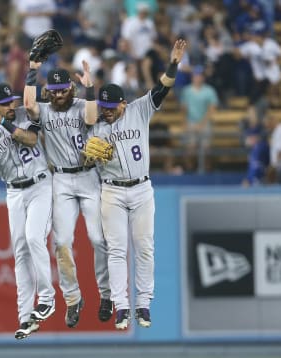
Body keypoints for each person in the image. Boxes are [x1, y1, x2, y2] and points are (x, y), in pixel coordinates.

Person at [87, 39, 187, 330]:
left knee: (144, 247)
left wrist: (174, 62)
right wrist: (87, 157)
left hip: (142, 189)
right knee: (116, 249)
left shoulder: (140, 109)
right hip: (112, 190)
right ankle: (121, 306)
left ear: (122, 103)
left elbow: (163, 87)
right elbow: (82, 151)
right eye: (102, 106)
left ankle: (143, 304)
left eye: (110, 106)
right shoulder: (97, 126)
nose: (106, 111)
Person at [24, 60, 112, 328]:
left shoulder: (80, 105)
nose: (60, 94)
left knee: (98, 238)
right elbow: (28, 105)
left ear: (71, 89)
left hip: (88, 177)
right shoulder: (45, 110)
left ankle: (106, 295)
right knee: (61, 242)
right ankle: (73, 299)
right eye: (55, 90)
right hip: (60, 179)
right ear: (48, 90)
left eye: (64, 89)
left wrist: (89, 89)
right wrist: (31, 72)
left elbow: (91, 118)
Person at [0, 83, 55, 340]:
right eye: (6, 103)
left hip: (41, 184)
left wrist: (3, 121)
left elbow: (30, 139)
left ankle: (48, 297)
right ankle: (26, 317)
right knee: (20, 252)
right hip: (14, 192)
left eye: (13, 101)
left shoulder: (24, 115)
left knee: (33, 238)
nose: (12, 105)